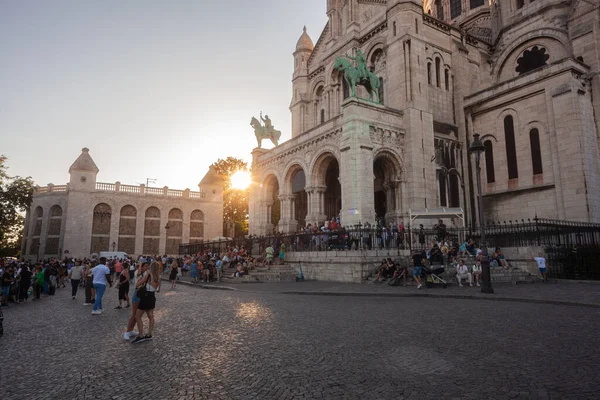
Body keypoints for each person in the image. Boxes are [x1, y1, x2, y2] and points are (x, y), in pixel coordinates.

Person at [132, 261, 159, 344]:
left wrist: (142, 282)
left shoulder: (148, 275)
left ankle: (140, 335)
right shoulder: (159, 277)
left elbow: (138, 284)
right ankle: (149, 334)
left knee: (137, 315)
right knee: (151, 316)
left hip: (145, 297)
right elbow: (158, 289)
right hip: (152, 296)